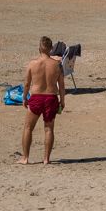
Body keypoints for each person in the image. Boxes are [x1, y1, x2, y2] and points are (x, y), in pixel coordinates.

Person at [18, 36, 66, 164]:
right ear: (51, 49)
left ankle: (25, 158)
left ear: (39, 47)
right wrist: (62, 101)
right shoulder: (57, 65)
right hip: (51, 98)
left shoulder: (33, 64)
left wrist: (24, 97)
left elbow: (27, 84)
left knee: (28, 128)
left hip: (37, 97)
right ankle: (46, 159)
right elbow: (61, 86)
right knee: (49, 129)